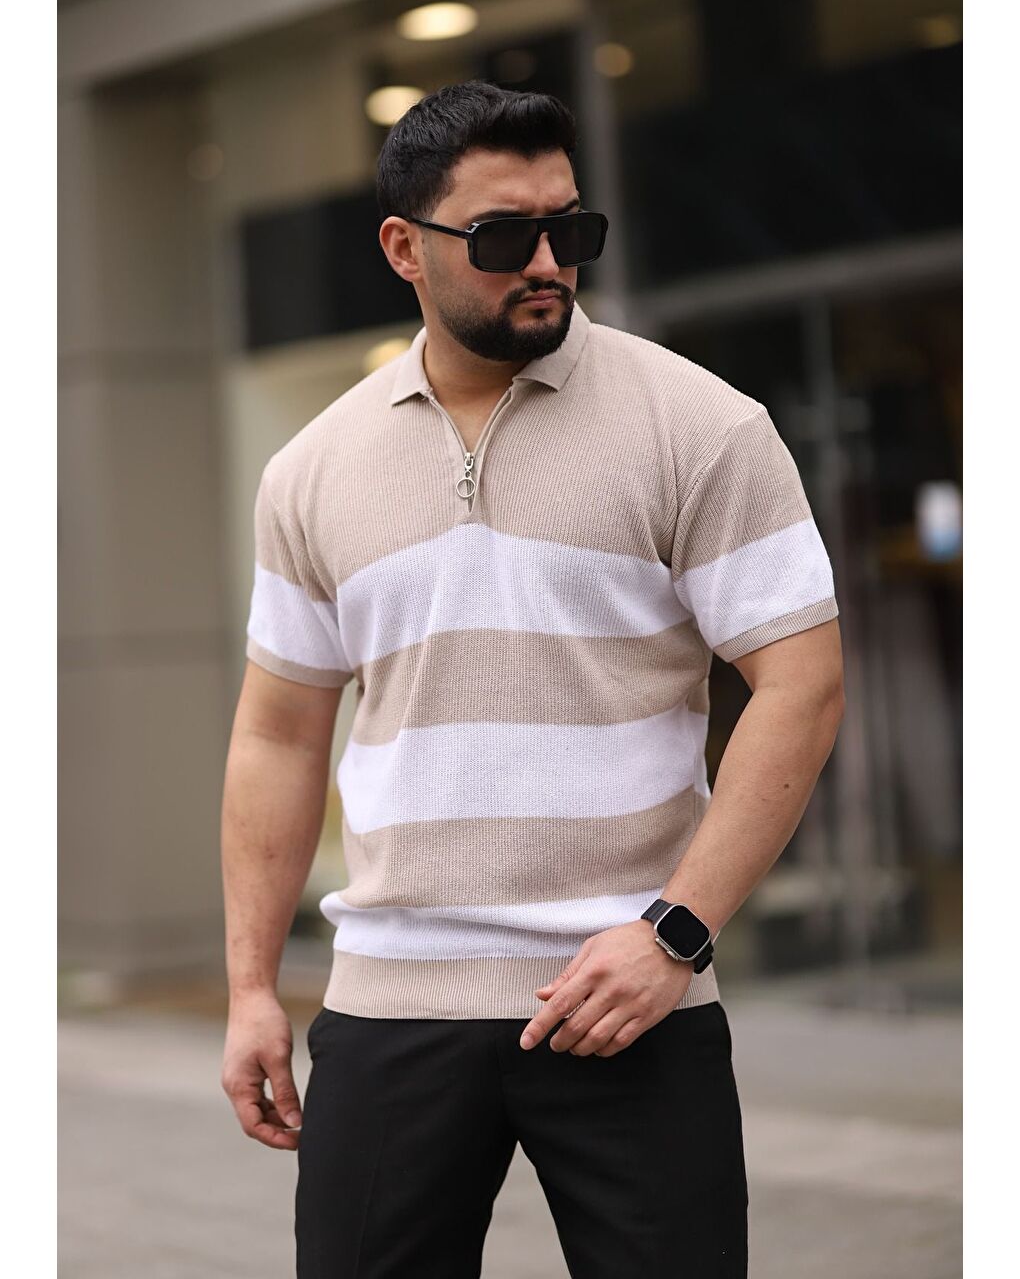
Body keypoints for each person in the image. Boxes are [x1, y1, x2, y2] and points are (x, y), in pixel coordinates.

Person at [220, 80, 845, 1279]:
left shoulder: (703, 427)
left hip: (629, 1000)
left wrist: (676, 934)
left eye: (572, 228)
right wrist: (252, 987)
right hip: (392, 1004)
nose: (550, 262)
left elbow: (802, 684)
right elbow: (279, 735)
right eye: (506, 237)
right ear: (404, 248)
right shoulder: (310, 469)